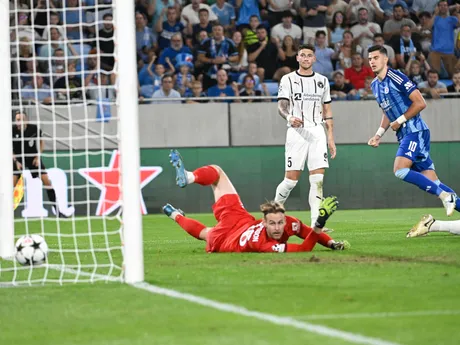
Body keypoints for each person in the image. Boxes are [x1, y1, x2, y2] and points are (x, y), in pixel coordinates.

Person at [162, 149, 349, 253]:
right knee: (206, 233)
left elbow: (306, 232)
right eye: (273, 224)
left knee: (216, 174)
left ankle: (177, 208)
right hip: (225, 240)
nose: (277, 228)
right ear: (264, 222)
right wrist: (320, 222)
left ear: (285, 221)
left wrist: (331, 243)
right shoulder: (264, 245)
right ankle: (179, 205)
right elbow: (304, 248)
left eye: (279, 223)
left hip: (240, 220)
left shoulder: (288, 224)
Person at [366, 45, 459, 216]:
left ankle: (445, 196)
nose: (372, 61)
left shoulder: (396, 76)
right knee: (433, 180)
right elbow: (387, 110)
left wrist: (400, 120)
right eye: (370, 58)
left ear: (385, 59)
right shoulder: (374, 85)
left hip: (415, 131)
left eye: (376, 58)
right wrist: (379, 134)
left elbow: (420, 102)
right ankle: (450, 198)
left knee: (400, 170)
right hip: (404, 135)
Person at [274, 44, 337, 230]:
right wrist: (289, 117)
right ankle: (273, 211)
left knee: (317, 180)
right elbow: (281, 106)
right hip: (296, 133)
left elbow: (327, 110)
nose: (306, 58)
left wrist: (330, 137)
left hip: (317, 131)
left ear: (314, 59)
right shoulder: (288, 79)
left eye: (310, 55)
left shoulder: (323, 81)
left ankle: (316, 224)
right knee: (291, 180)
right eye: (303, 55)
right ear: (297, 58)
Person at [12, 110, 66, 217]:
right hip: (18, 159)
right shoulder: (12, 131)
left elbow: (41, 141)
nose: (20, 122)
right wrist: (16, 161)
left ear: (26, 120)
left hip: (32, 158)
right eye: (17, 120)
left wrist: (38, 156)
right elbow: (9, 148)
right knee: (10, 186)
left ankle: (58, 212)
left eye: (22, 119)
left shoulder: (34, 128)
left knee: (47, 182)